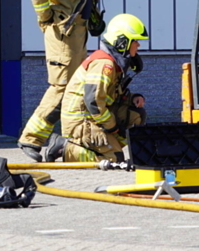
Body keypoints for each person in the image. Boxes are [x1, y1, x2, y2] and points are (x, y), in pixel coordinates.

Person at [18, 0, 107, 161]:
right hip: (63, 35)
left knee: (74, 87)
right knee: (62, 87)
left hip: (76, 35)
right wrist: (45, 17)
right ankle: (31, 139)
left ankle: (70, 139)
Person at [43, 13, 148, 163]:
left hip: (93, 117)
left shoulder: (113, 63)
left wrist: (134, 98)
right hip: (81, 121)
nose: (138, 45)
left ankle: (107, 144)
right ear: (122, 42)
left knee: (136, 114)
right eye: (135, 41)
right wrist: (112, 126)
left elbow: (109, 94)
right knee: (113, 159)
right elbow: (93, 100)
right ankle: (65, 147)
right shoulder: (104, 64)